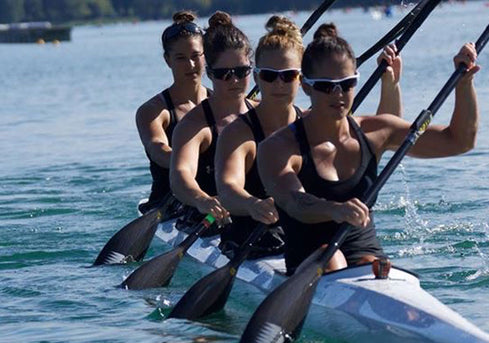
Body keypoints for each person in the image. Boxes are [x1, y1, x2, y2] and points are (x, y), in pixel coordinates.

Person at [257, 23, 480, 275]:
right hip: (310, 258)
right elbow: (294, 201)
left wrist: (464, 83)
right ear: (306, 86)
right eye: (326, 86)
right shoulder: (277, 147)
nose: (339, 94)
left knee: (367, 263)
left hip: (367, 256)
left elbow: (460, 141)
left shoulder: (377, 131)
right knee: (332, 261)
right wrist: (335, 209)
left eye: (347, 83)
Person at [215, 18, 403, 259]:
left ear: (302, 80)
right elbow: (228, 188)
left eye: (289, 75)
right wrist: (253, 204)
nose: (279, 84)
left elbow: (386, 135)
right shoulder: (238, 133)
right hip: (252, 241)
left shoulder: (317, 122)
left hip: (310, 237)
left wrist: (390, 83)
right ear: (257, 77)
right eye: (270, 76)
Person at [170, 11, 256, 229]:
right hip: (212, 222)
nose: (234, 80)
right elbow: (181, 174)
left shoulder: (266, 113)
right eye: (224, 74)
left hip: (264, 215)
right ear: (209, 73)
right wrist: (202, 200)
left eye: (241, 71)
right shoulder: (194, 125)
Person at [136, 10, 209, 214]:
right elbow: (158, 150)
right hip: (171, 205)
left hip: (214, 199)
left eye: (196, 56)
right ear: (167, 60)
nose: (191, 65)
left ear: (206, 56)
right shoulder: (152, 111)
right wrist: (187, 162)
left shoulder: (223, 103)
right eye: (181, 58)